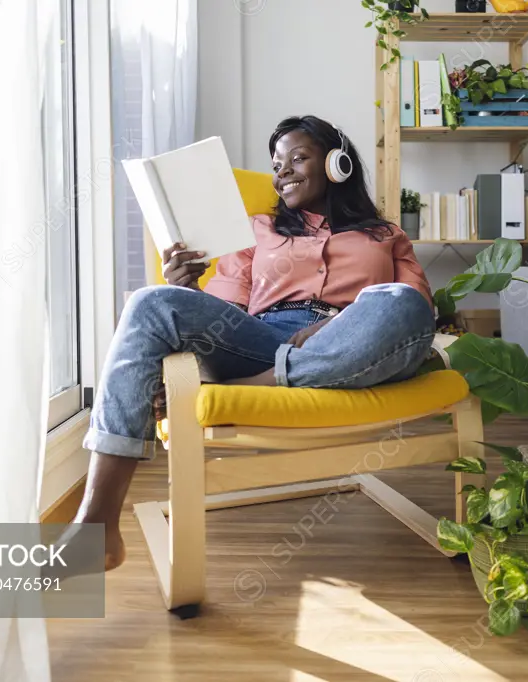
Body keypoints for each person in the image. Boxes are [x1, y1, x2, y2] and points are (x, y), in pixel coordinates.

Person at [68, 115, 436, 572]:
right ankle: (97, 526)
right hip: (260, 339)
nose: (282, 172)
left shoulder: (387, 235)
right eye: (276, 164)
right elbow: (224, 321)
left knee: (399, 300)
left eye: (298, 158)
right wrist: (186, 288)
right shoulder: (256, 231)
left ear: (338, 163)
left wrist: (341, 322)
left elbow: (415, 312)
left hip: (352, 337)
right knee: (151, 302)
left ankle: (268, 382)